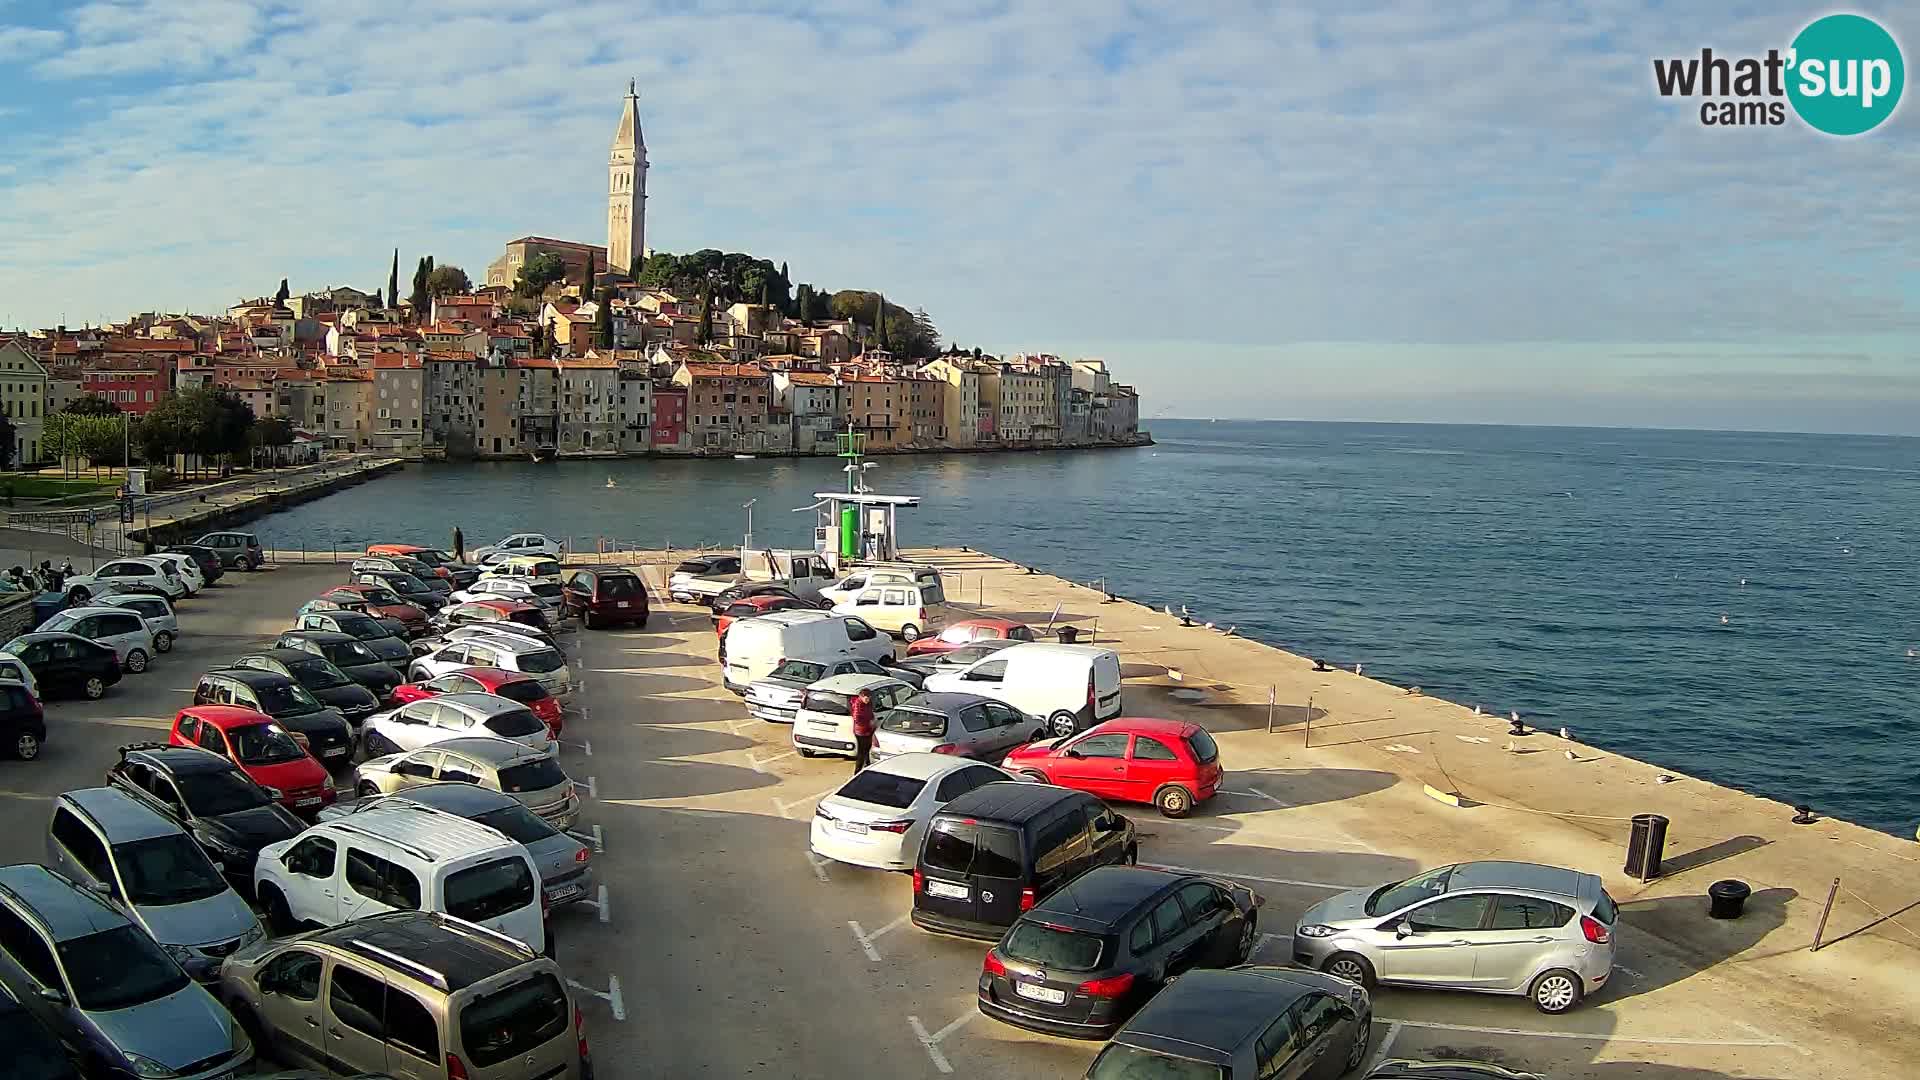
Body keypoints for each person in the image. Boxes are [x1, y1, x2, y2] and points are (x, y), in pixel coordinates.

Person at [850, 688, 876, 771]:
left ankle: (867, 766)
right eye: (866, 698)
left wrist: (872, 720)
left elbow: (870, 713)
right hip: (860, 731)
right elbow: (856, 718)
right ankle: (857, 771)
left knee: (868, 749)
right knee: (862, 751)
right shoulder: (858, 704)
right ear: (861, 697)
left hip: (869, 730)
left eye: (869, 698)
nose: (867, 700)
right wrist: (868, 722)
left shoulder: (869, 704)